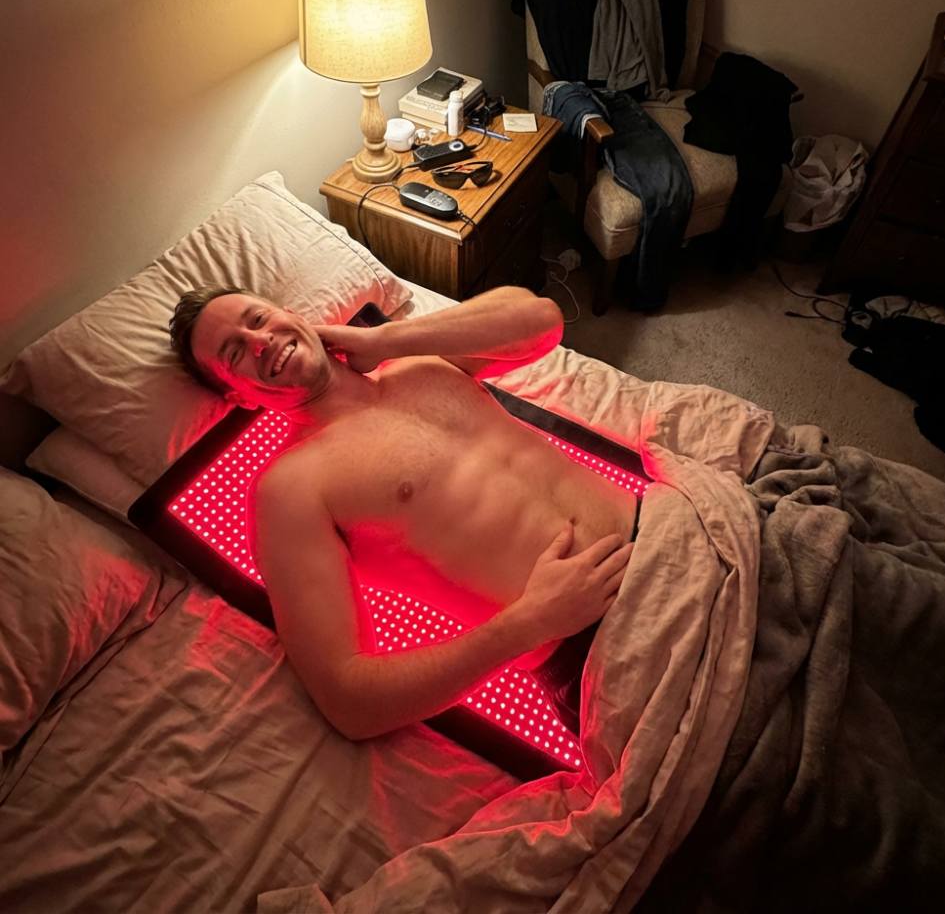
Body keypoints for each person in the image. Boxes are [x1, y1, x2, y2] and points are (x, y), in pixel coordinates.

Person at [169, 284, 637, 740]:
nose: (260, 342)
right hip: (588, 643)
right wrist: (529, 626)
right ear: (239, 397)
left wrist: (385, 339)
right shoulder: (288, 490)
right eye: (234, 352)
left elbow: (541, 321)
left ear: (289, 314)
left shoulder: (416, 360)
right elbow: (347, 700)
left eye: (258, 319)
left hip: (653, 528)